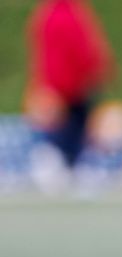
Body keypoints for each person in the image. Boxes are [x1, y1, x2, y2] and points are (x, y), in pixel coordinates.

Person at [23, 0, 114, 191]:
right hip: (72, 84)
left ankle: (63, 166)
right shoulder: (72, 14)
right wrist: (96, 69)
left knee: (61, 126)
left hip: (51, 83)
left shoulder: (45, 14)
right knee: (74, 126)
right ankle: (65, 166)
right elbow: (82, 48)